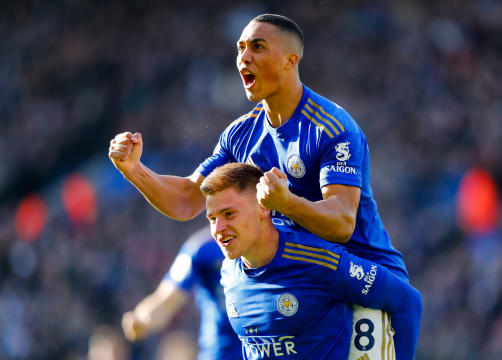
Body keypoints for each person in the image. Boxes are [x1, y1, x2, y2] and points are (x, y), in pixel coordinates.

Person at [109, 13, 420, 359]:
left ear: (291, 60)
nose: (244, 57)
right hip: (296, 280)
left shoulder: (331, 128)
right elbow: (186, 199)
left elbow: (343, 222)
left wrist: (287, 204)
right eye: (241, 48)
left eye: (258, 47)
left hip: (360, 284)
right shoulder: (240, 134)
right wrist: (135, 171)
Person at [200, 162, 421, 360]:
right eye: (212, 218)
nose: (218, 229)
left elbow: (406, 300)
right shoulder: (229, 271)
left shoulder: (317, 259)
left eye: (229, 214)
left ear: (263, 208)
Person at [121, 226, 242, 360]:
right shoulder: (200, 248)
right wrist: (142, 319)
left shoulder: (267, 243)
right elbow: (165, 299)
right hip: (223, 352)